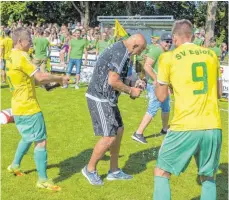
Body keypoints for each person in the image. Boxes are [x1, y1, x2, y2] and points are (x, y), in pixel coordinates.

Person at [153, 19, 222, 200]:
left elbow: (161, 97)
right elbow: (220, 93)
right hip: (213, 125)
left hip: (185, 125)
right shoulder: (211, 55)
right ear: (191, 36)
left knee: (161, 171)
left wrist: (157, 83)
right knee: (208, 176)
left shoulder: (168, 57)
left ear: (175, 38)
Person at [6, 27, 69, 191]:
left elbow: (33, 81)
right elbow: (40, 76)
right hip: (28, 107)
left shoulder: (11, 56)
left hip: (17, 105)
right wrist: (60, 77)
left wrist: (52, 84)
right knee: (41, 141)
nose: (31, 43)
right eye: (29, 40)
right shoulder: (22, 56)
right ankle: (43, 180)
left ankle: (14, 165)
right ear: (20, 41)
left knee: (27, 137)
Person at [82, 34, 146, 186]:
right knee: (109, 136)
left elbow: (117, 77)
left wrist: (134, 82)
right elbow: (113, 81)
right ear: (135, 45)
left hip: (108, 98)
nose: (140, 53)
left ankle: (114, 171)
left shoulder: (122, 50)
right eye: (141, 50)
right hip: (99, 97)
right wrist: (131, 91)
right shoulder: (121, 52)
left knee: (118, 130)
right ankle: (89, 169)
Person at [132, 33, 172, 144]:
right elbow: (146, 66)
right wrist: (155, 79)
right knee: (153, 108)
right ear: (161, 41)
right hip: (156, 85)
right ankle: (138, 133)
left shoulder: (165, 52)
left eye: (170, 41)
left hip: (163, 85)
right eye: (166, 41)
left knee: (166, 107)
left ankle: (164, 129)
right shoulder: (157, 50)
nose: (169, 44)